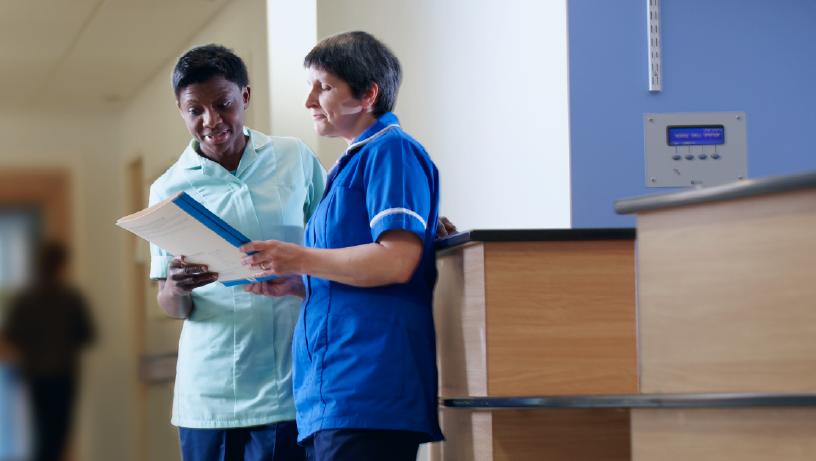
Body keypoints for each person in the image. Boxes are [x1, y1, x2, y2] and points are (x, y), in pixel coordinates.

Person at [240, 31, 445, 461]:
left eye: (325, 86)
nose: (309, 100)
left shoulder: (393, 152)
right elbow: (353, 268)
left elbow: (398, 260)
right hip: (333, 391)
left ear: (367, 93)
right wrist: (301, 282)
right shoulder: (350, 164)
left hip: (369, 384)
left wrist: (298, 256)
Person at [150, 44, 325, 461]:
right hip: (208, 394)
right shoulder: (169, 189)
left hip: (288, 384)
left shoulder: (292, 157)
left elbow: (338, 236)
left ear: (244, 97)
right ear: (181, 110)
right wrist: (176, 287)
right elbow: (172, 308)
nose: (211, 121)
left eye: (223, 104)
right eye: (195, 110)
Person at [1, 241, 96, 461]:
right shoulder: (71, 299)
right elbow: (87, 334)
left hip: (36, 373)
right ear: (61, 266)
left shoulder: (26, 300)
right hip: (64, 372)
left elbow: (13, 335)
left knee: (43, 428)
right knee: (58, 432)